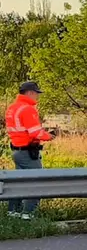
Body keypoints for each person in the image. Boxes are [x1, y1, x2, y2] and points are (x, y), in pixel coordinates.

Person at [4, 81, 52, 220]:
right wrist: (49, 136)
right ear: (30, 93)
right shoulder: (28, 109)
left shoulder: (12, 108)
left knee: (19, 182)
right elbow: (35, 132)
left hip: (17, 151)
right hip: (28, 152)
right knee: (37, 182)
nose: (37, 96)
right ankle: (28, 214)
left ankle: (13, 212)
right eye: (37, 93)